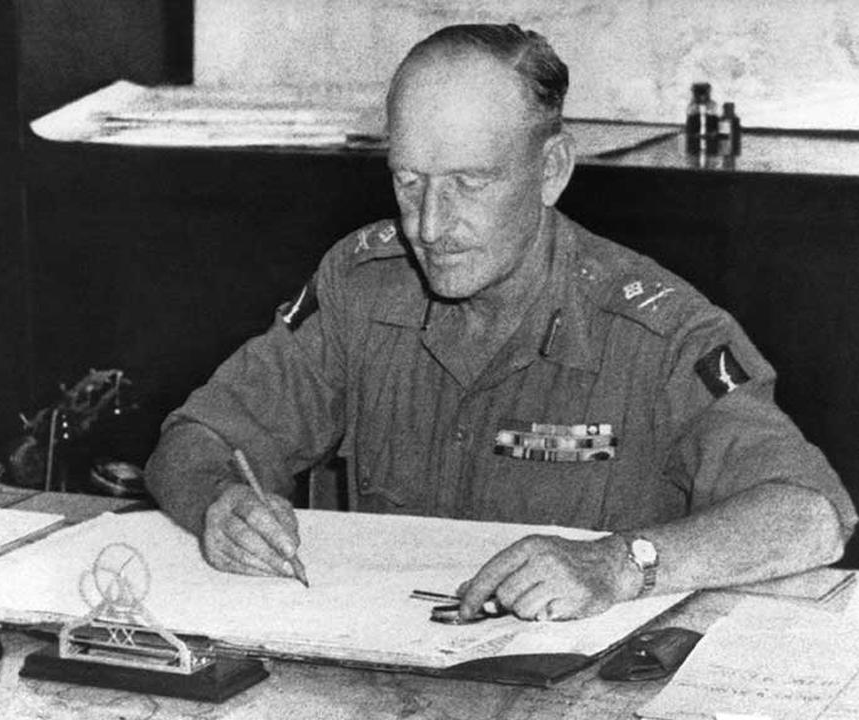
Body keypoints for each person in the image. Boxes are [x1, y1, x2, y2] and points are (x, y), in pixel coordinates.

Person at [145, 24, 856, 622]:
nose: (429, 226)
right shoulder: (362, 288)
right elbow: (196, 437)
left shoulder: (659, 333)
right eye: (409, 181)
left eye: (470, 183)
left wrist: (620, 563)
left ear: (550, 170)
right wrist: (221, 502)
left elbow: (812, 515)